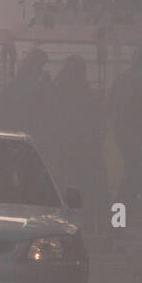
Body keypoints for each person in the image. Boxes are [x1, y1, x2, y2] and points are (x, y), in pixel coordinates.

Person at [47, 55, 108, 232]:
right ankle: (82, 224)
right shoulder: (76, 93)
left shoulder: (59, 91)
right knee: (81, 188)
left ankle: (79, 224)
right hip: (73, 148)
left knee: (75, 187)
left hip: (73, 148)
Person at [109, 46, 142, 232]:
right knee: (135, 177)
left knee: (134, 176)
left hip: (125, 134)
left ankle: (119, 222)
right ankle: (118, 222)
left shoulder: (122, 79)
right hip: (136, 135)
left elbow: (112, 106)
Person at [0, 48, 51, 142]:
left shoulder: (16, 85)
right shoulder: (30, 87)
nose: (41, 70)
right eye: (40, 67)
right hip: (24, 131)